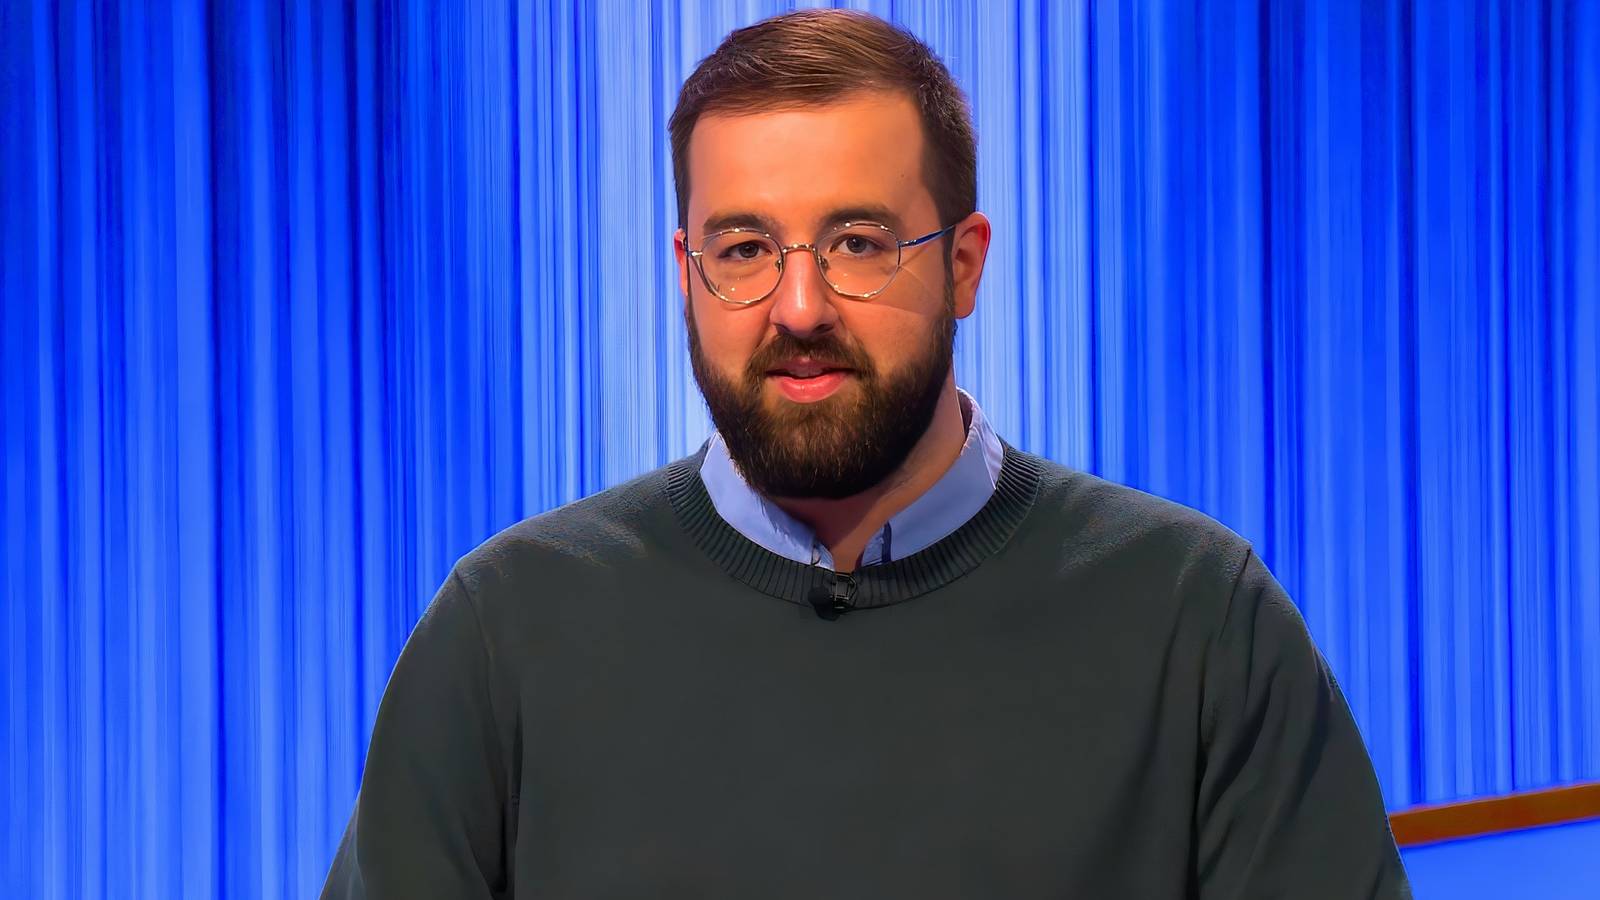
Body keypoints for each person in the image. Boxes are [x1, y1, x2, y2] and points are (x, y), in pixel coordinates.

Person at [322, 9, 1410, 898]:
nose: (799, 306)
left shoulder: (1197, 617)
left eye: (858, 243)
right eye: (742, 248)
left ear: (966, 265)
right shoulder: (505, 629)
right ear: (683, 272)